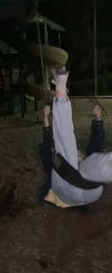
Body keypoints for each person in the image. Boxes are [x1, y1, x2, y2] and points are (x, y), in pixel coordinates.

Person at [38, 67, 110, 208]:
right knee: (68, 149)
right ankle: (61, 89)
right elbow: (49, 147)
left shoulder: (81, 164)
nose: (79, 154)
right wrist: (98, 120)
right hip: (70, 189)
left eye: (80, 155)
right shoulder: (61, 162)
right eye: (80, 155)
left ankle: (60, 88)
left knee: (87, 157)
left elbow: (96, 144)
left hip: (90, 190)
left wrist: (98, 118)